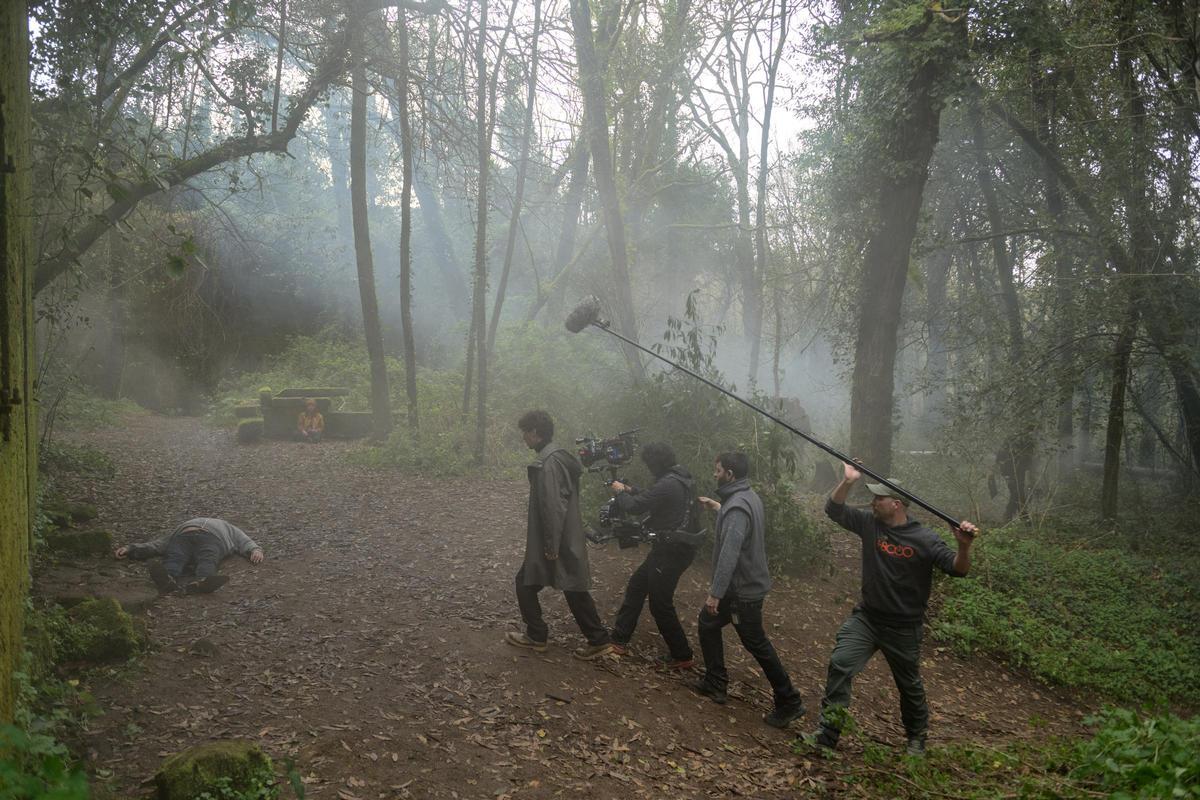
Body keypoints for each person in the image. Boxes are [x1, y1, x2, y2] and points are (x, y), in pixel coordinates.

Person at [809, 461, 979, 757]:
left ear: (896, 504)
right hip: (868, 618)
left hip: (903, 626)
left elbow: (957, 569)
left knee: (908, 684)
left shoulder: (925, 539)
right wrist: (848, 481)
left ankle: (916, 739)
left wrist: (963, 546)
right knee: (840, 663)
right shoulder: (869, 524)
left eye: (879, 498)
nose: (873, 502)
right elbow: (833, 510)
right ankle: (828, 734)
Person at [693, 452, 806, 729]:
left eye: (718, 470)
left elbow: (729, 554)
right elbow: (737, 523)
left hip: (742, 593)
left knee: (756, 643)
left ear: (730, 474)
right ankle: (716, 683)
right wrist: (718, 506)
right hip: (741, 587)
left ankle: (789, 700)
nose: (715, 474)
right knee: (707, 624)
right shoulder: (746, 497)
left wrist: (715, 593)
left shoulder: (737, 508)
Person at [505, 410, 614, 660]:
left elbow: (553, 507)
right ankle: (597, 639)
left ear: (535, 432)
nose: (523, 438)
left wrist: (551, 546)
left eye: (525, 432)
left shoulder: (549, 463)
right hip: (564, 536)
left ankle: (537, 635)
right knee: (571, 586)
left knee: (526, 582)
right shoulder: (557, 457)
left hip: (556, 539)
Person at [608, 442, 700, 669]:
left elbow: (636, 507)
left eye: (649, 464)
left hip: (670, 552)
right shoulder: (680, 477)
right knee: (637, 586)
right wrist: (631, 489)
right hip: (675, 548)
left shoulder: (668, 482)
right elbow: (652, 496)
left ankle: (682, 655)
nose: (649, 468)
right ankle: (619, 640)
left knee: (660, 603)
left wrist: (620, 492)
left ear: (655, 463)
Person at [114, 517, 264, 595]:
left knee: (207, 558)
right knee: (175, 557)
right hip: (183, 536)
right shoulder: (184, 526)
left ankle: (202, 582)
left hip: (211, 538)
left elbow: (243, 539)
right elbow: (158, 544)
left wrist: (254, 550)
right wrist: (131, 548)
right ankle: (168, 579)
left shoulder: (226, 526)